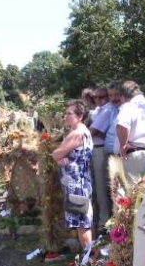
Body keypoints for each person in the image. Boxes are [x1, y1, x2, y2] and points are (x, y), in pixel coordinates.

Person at [52, 100, 94, 249]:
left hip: (76, 183)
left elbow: (56, 154)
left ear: (80, 116)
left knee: (81, 221)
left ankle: (90, 259)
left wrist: (60, 156)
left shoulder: (77, 133)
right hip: (80, 180)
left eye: (69, 114)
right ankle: (88, 257)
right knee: (81, 220)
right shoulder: (83, 132)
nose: (65, 116)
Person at [115, 80, 145, 186]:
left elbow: (121, 125)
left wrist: (123, 145)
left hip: (136, 157)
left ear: (122, 97)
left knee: (135, 194)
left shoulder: (128, 107)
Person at [87, 84, 121, 229]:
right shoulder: (100, 110)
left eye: (101, 97)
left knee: (102, 188)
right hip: (98, 148)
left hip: (100, 150)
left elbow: (91, 131)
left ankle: (104, 222)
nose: (98, 100)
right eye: (95, 97)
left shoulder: (107, 109)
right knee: (99, 187)